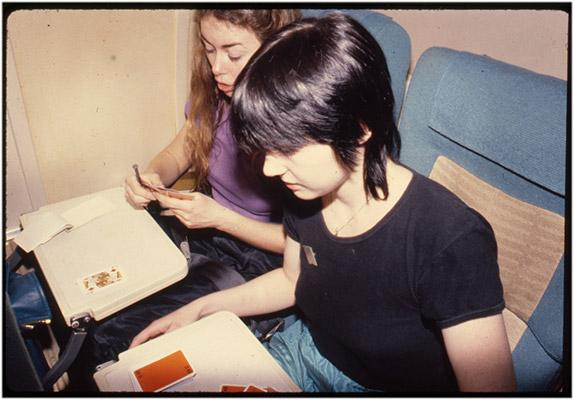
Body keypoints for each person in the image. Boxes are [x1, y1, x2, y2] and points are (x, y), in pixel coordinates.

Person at [130, 13, 518, 393]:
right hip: (308, 347)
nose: (268, 168)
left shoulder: (450, 240)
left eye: (285, 147)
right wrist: (198, 310)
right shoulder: (307, 194)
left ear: (358, 127)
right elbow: (291, 280)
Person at [75, 9, 302, 379]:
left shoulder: (297, 125)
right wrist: (153, 176)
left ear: (277, 48)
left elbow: (305, 245)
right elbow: (180, 150)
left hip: (261, 260)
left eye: (233, 53)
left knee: (118, 339)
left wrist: (221, 218)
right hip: (207, 232)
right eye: (209, 50)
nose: (216, 67)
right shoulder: (220, 96)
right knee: (98, 302)